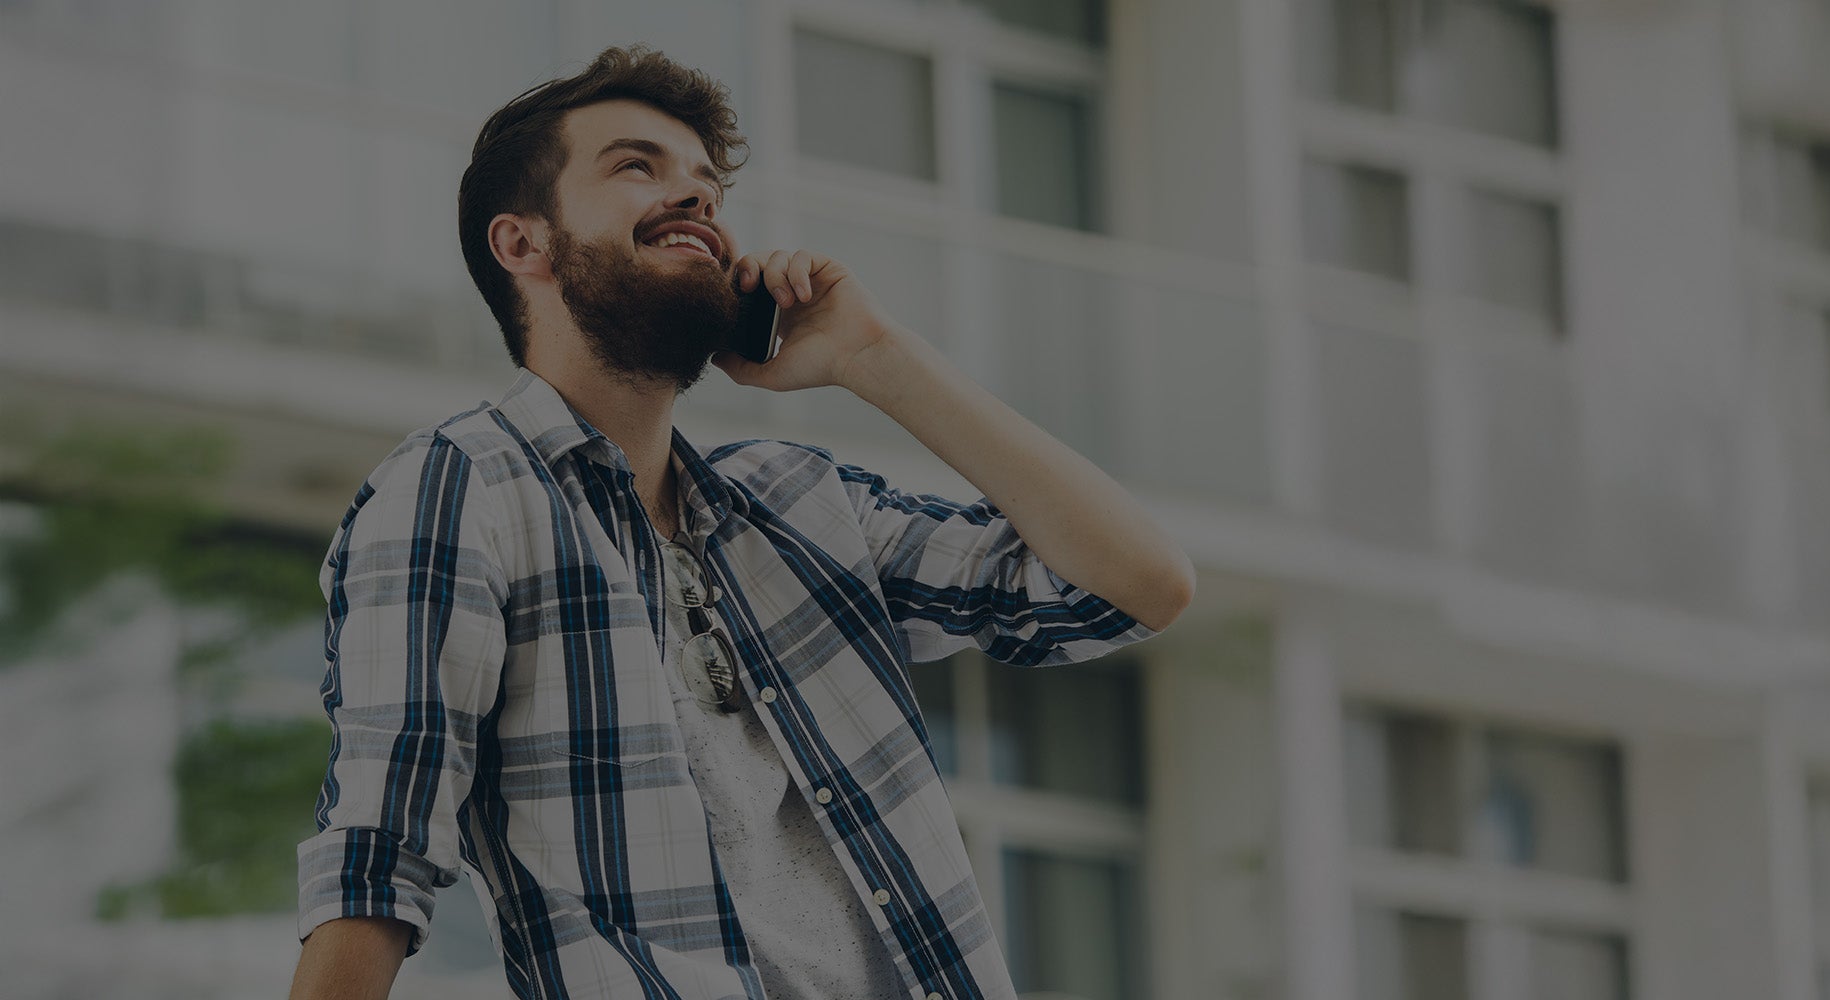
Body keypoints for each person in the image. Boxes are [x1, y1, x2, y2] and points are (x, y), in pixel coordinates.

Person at [284, 45, 1193, 1000]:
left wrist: (876, 356)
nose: (695, 200)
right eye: (637, 166)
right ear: (524, 245)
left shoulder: (801, 502)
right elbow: (380, 854)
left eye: (707, 187)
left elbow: (1134, 586)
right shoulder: (461, 486)